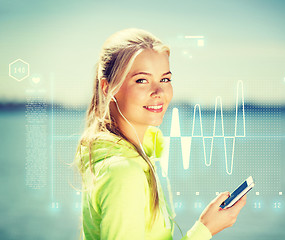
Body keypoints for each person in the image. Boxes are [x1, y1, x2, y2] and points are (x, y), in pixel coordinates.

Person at [74, 28, 247, 240]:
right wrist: (205, 229)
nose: (159, 92)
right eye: (141, 80)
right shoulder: (123, 172)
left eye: (165, 79)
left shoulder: (135, 157)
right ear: (108, 87)